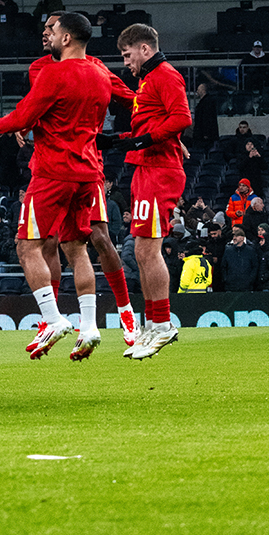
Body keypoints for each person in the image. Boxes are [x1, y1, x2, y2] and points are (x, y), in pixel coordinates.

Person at [0, 12, 117, 362]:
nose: (48, 35)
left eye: (52, 30)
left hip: (54, 172)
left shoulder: (53, 72)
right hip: (88, 172)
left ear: (66, 38)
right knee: (77, 248)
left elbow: (21, 118)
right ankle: (89, 325)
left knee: (27, 246)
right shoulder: (101, 75)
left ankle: (52, 319)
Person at [106, 23, 193, 360]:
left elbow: (181, 118)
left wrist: (144, 139)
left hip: (160, 171)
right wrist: (118, 140)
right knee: (141, 251)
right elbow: (150, 127)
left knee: (148, 249)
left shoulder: (166, 75)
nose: (126, 62)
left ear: (144, 48)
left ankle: (162, 324)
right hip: (145, 168)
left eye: (128, 55)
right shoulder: (146, 81)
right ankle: (153, 323)